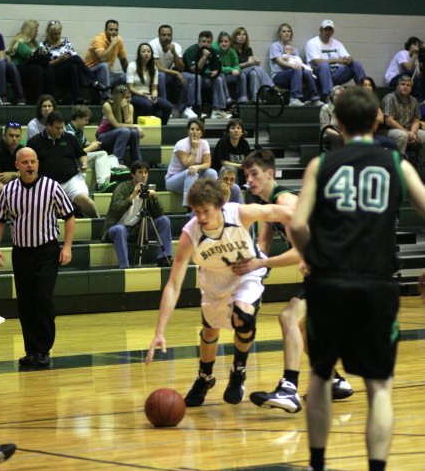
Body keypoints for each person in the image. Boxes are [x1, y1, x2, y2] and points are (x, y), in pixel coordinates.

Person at [289, 86, 425, 471]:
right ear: (378, 122)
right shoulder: (395, 163)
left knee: (320, 374)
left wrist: (311, 256)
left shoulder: (322, 163)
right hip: (376, 283)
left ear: (340, 125)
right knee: (378, 385)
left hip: (328, 282)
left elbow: (296, 222)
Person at [145, 178, 294, 407]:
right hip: (214, 282)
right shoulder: (190, 234)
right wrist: (159, 331)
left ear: (219, 206)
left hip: (246, 274)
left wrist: (304, 236)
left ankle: (239, 370)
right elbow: (173, 284)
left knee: (243, 319)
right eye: (196, 211)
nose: (201, 218)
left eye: (205, 211)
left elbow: (282, 212)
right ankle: (205, 377)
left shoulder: (240, 213)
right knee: (210, 331)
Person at [234, 149, 352, 413]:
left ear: (270, 174)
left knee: (288, 317)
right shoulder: (270, 209)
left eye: (254, 174)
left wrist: (261, 263)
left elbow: (302, 249)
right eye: (246, 175)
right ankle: (332, 379)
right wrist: (250, 275)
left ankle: (289, 388)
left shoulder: (285, 201)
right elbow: (262, 246)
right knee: (299, 325)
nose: (250, 180)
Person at [0, 147, 75, 368]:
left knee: (43, 298)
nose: (30, 165)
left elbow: (69, 217)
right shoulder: (8, 191)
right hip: (21, 253)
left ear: (38, 163)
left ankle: (44, 349)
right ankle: (31, 351)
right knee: (26, 303)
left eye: (33, 161)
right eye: (25, 162)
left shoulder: (52, 187)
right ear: (17, 166)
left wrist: (67, 247)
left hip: (47, 251)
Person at [27, 111, 99, 218]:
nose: (61, 130)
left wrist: (84, 163)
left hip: (71, 180)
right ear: (48, 126)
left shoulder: (69, 137)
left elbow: (81, 154)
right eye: (57, 128)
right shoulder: (34, 142)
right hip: (46, 184)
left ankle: (99, 224)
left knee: (87, 202)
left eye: (62, 127)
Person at [103, 160, 173, 268]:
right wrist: (133, 195)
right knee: (119, 229)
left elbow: (159, 214)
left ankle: (164, 258)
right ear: (133, 174)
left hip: (138, 229)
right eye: (140, 172)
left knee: (164, 220)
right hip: (118, 227)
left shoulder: (147, 190)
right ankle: (124, 267)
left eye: (146, 172)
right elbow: (116, 209)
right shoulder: (122, 188)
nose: (143, 175)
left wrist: (153, 198)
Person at [42, 21, 104, 104]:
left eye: (59, 33)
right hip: (55, 72)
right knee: (75, 59)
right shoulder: (44, 45)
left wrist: (68, 59)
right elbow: (46, 64)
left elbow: (73, 55)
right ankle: (94, 81)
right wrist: (58, 60)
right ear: (50, 34)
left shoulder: (65, 41)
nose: (58, 36)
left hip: (67, 71)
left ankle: (78, 98)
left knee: (74, 66)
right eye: (55, 34)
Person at [150, 24, 201, 119]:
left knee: (193, 77)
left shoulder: (176, 46)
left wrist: (174, 53)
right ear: (159, 35)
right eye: (164, 35)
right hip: (153, 76)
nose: (167, 37)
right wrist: (176, 73)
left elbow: (181, 68)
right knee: (160, 75)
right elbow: (158, 68)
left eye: (169, 35)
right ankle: (165, 108)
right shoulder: (153, 45)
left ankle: (188, 108)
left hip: (168, 74)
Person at [305, 19, 365, 98]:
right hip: (319, 76)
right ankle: (329, 96)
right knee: (324, 65)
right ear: (320, 30)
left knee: (356, 64)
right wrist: (337, 60)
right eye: (326, 29)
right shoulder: (312, 43)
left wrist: (349, 59)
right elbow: (317, 62)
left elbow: (347, 56)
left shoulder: (337, 43)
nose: (328, 32)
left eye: (330, 29)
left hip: (336, 74)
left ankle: (364, 93)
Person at [66, 104, 119, 192]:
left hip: (81, 160)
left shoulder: (79, 130)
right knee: (102, 154)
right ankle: (102, 184)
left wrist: (93, 143)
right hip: (74, 162)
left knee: (109, 157)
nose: (87, 123)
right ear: (78, 118)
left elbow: (83, 143)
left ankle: (114, 171)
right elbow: (75, 154)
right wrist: (92, 147)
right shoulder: (69, 132)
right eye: (85, 120)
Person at [165, 118, 218, 206]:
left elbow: (207, 163)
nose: (194, 132)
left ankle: (213, 202)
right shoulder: (181, 144)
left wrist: (197, 167)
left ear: (201, 133)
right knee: (191, 172)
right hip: (173, 180)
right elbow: (187, 165)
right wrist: (194, 149)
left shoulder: (204, 143)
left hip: (193, 178)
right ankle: (189, 205)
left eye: (197, 129)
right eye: (192, 129)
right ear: (188, 131)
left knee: (212, 172)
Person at [270, 23, 320, 106]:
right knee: (296, 70)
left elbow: (298, 62)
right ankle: (294, 98)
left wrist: (307, 69)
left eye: (288, 31)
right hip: (278, 76)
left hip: (293, 74)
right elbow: (279, 61)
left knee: (307, 72)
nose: (286, 33)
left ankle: (315, 99)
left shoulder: (294, 49)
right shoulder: (275, 46)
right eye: (284, 31)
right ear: (279, 34)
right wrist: (293, 66)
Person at [183, 31, 230, 119]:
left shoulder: (212, 51)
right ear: (199, 42)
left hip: (202, 76)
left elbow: (218, 67)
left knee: (219, 78)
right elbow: (194, 70)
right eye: (203, 41)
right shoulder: (192, 51)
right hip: (187, 75)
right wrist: (204, 57)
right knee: (197, 77)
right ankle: (196, 108)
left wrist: (216, 71)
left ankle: (217, 109)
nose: (206, 44)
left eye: (208, 42)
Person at [8, 19, 55, 104]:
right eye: (36, 31)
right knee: (37, 69)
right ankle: (37, 99)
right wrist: (39, 54)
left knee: (49, 70)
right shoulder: (20, 42)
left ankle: (49, 98)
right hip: (19, 69)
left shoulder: (35, 42)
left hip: (31, 66)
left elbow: (37, 57)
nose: (37, 33)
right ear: (30, 31)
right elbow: (28, 55)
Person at [95, 84, 143, 166]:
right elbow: (116, 125)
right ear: (119, 97)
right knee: (126, 131)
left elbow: (129, 124)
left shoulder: (130, 107)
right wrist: (136, 126)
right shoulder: (107, 106)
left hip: (122, 136)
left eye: (130, 97)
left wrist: (125, 110)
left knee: (134, 132)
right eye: (126, 97)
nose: (129, 100)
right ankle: (116, 162)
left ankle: (137, 163)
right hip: (104, 136)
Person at [126, 43, 173, 125]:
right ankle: (142, 128)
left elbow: (154, 88)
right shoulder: (132, 65)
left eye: (148, 51)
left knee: (168, 106)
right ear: (139, 54)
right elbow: (130, 88)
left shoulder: (154, 68)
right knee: (147, 104)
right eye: (143, 51)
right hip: (134, 95)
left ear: (151, 54)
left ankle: (161, 127)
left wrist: (154, 96)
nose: (146, 53)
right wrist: (145, 95)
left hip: (148, 95)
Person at [381, 75, 425, 160]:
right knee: (403, 135)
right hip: (388, 130)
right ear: (397, 86)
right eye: (403, 84)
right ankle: (398, 162)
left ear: (411, 88)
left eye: (408, 85)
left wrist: (413, 132)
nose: (405, 87)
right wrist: (408, 133)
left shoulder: (414, 100)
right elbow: (389, 120)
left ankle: (421, 164)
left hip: (409, 130)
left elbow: (416, 120)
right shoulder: (389, 98)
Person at [84, 19, 128, 96]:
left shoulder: (118, 40)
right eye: (111, 30)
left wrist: (130, 73)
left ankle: (128, 99)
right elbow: (103, 58)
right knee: (104, 65)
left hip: (107, 76)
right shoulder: (99, 39)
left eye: (116, 30)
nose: (114, 32)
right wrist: (113, 44)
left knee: (128, 77)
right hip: (92, 75)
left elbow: (123, 60)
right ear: (105, 30)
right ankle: (106, 97)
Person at [230, 26, 274, 101]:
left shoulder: (248, 49)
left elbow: (251, 63)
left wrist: (256, 62)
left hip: (247, 71)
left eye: (244, 35)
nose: (242, 37)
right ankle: (271, 86)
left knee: (254, 73)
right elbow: (234, 66)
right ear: (235, 37)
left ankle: (255, 97)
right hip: (237, 72)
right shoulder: (231, 50)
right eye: (239, 35)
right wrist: (248, 63)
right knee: (257, 69)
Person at [212, 117, 251, 186]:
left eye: (238, 128)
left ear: (242, 132)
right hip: (221, 171)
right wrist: (241, 166)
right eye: (233, 128)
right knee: (231, 169)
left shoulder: (244, 143)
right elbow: (224, 163)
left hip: (239, 171)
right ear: (228, 131)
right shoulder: (223, 142)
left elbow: (247, 161)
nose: (236, 130)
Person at [384, 36, 423, 101]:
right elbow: (408, 68)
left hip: (404, 80)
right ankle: (419, 99)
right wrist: (414, 55)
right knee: (409, 73)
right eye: (417, 45)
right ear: (411, 45)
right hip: (392, 79)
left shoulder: (415, 59)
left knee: (416, 77)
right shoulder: (402, 53)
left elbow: (417, 75)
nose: (418, 48)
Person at [212, 31, 247, 103]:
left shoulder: (232, 51)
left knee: (242, 74)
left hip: (230, 75)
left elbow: (236, 65)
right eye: (221, 41)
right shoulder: (214, 51)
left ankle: (243, 97)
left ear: (230, 43)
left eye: (226, 41)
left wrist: (237, 70)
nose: (223, 43)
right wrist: (231, 70)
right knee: (222, 74)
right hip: (221, 74)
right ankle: (227, 98)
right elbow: (217, 68)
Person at [319, 85, 345, 151]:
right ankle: (336, 159)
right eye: (336, 95)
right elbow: (325, 128)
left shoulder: (346, 108)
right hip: (328, 133)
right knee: (337, 137)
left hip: (343, 133)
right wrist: (339, 134)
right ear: (332, 97)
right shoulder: (326, 108)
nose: (338, 97)